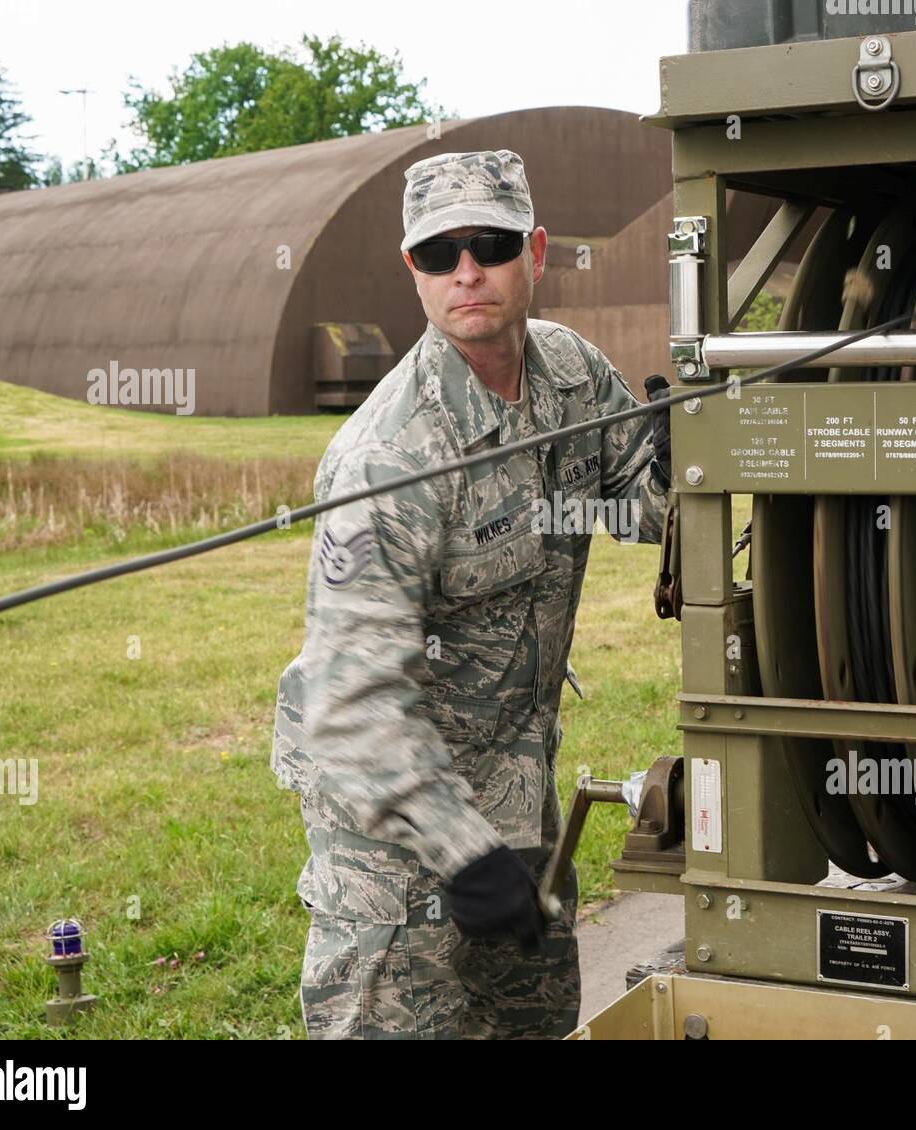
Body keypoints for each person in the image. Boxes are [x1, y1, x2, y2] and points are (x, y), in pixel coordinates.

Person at [271, 148, 673, 1039]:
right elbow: (350, 703)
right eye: (437, 254)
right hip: (397, 842)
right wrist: (462, 858)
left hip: (514, 799)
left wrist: (678, 462)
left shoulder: (570, 375)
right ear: (411, 271)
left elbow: (636, 508)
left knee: (537, 1024)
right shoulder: (387, 456)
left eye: (488, 244)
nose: (466, 272)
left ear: (534, 252)